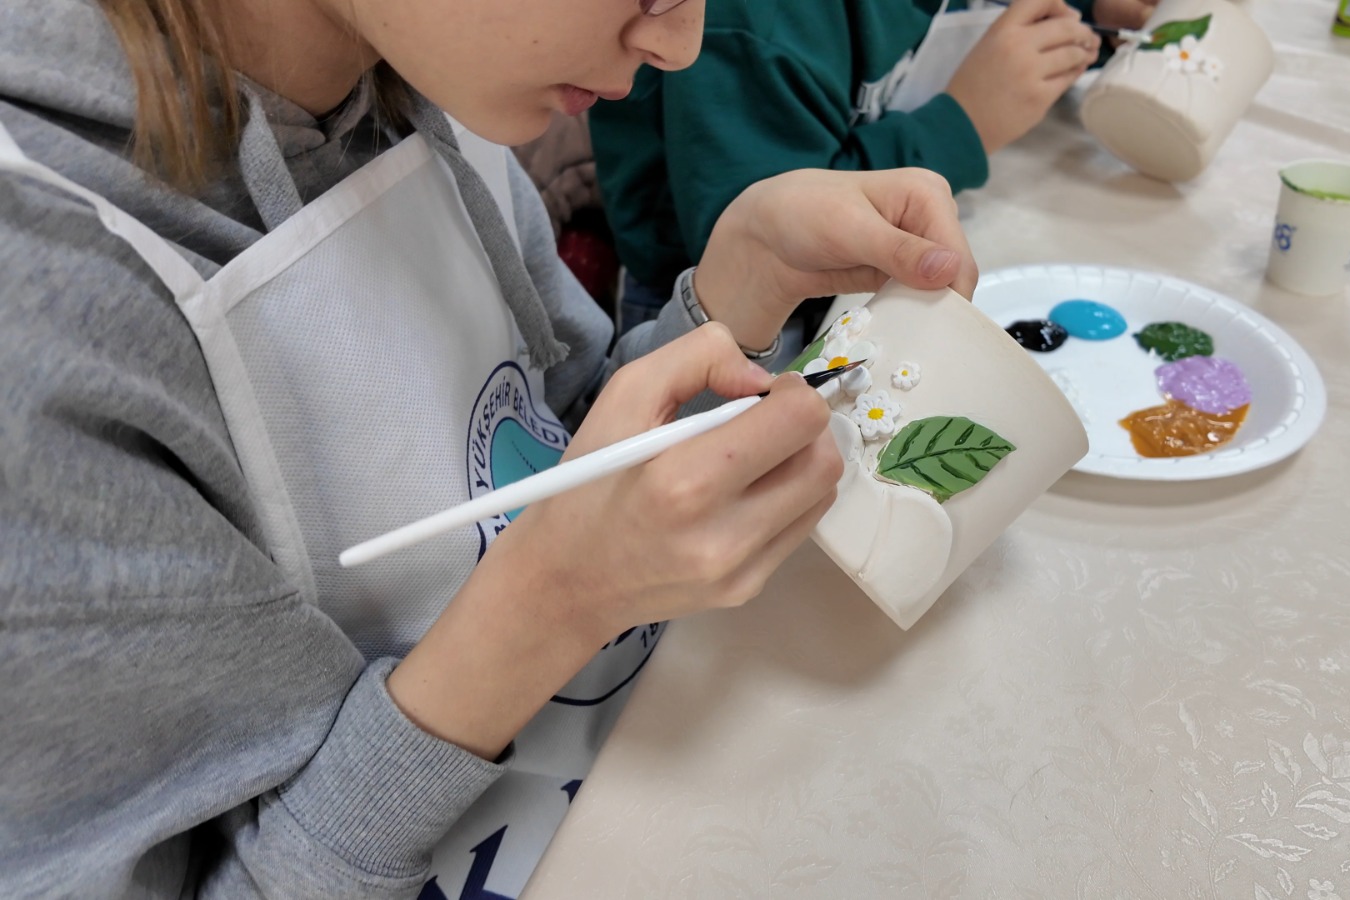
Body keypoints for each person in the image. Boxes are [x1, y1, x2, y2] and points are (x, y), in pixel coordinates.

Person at [0, 0, 980, 896]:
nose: (681, 46)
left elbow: (551, 448)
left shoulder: (417, 80)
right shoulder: (42, 303)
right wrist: (551, 605)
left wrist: (737, 288)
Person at [592, 0, 1158, 332]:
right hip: (708, 314)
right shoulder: (756, 22)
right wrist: (965, 124)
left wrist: (1092, 16)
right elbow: (760, 241)